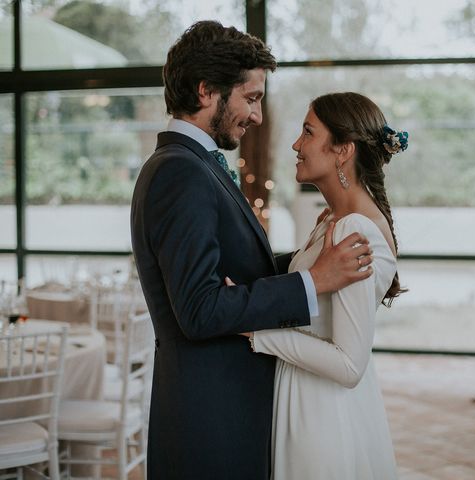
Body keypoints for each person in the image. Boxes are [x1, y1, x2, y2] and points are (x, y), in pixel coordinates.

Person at [130, 22, 373, 479]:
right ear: (206, 91)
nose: (258, 117)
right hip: (213, 420)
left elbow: (232, 265)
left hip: (221, 409)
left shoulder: (193, 164)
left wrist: (306, 260)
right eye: (252, 98)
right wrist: (314, 281)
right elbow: (199, 309)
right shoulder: (181, 173)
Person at [237, 92, 408, 479]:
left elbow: (349, 364)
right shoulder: (334, 218)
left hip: (322, 415)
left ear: (342, 150)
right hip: (308, 399)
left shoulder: (353, 229)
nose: (297, 145)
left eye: (308, 132)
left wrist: (255, 331)